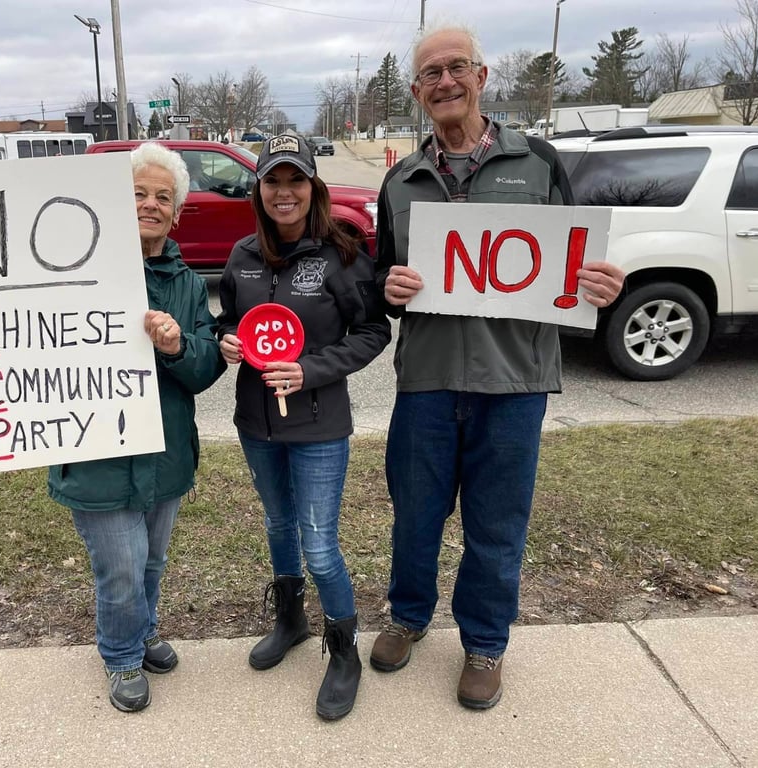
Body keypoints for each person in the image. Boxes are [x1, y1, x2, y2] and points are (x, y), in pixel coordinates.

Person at [0, 142, 225, 713]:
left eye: (164, 197)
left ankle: (145, 630)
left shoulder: (185, 283)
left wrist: (179, 344)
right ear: (113, 201)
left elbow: (207, 367)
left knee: (151, 561)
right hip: (94, 456)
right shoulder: (59, 269)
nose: (151, 205)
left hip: (166, 455)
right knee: (122, 568)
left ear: (178, 213)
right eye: (138, 193)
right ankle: (122, 656)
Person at [370, 25, 625, 710]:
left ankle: (485, 642)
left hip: (514, 384)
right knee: (415, 515)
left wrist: (600, 284)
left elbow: (574, 264)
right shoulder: (400, 180)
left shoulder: (538, 163)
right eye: (430, 73)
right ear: (418, 91)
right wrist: (387, 289)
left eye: (456, 68)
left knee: (497, 522)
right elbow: (382, 278)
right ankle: (408, 615)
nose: (444, 82)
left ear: (482, 78)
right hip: (425, 380)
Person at [217, 134, 391, 720]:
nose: (283, 192)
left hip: (318, 426)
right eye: (273, 181)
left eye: (295, 180)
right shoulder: (241, 254)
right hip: (256, 423)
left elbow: (372, 332)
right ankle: (289, 620)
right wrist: (227, 342)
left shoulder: (341, 255)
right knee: (277, 525)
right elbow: (230, 321)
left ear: (312, 188)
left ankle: (344, 653)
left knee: (319, 545)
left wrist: (310, 370)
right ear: (258, 189)